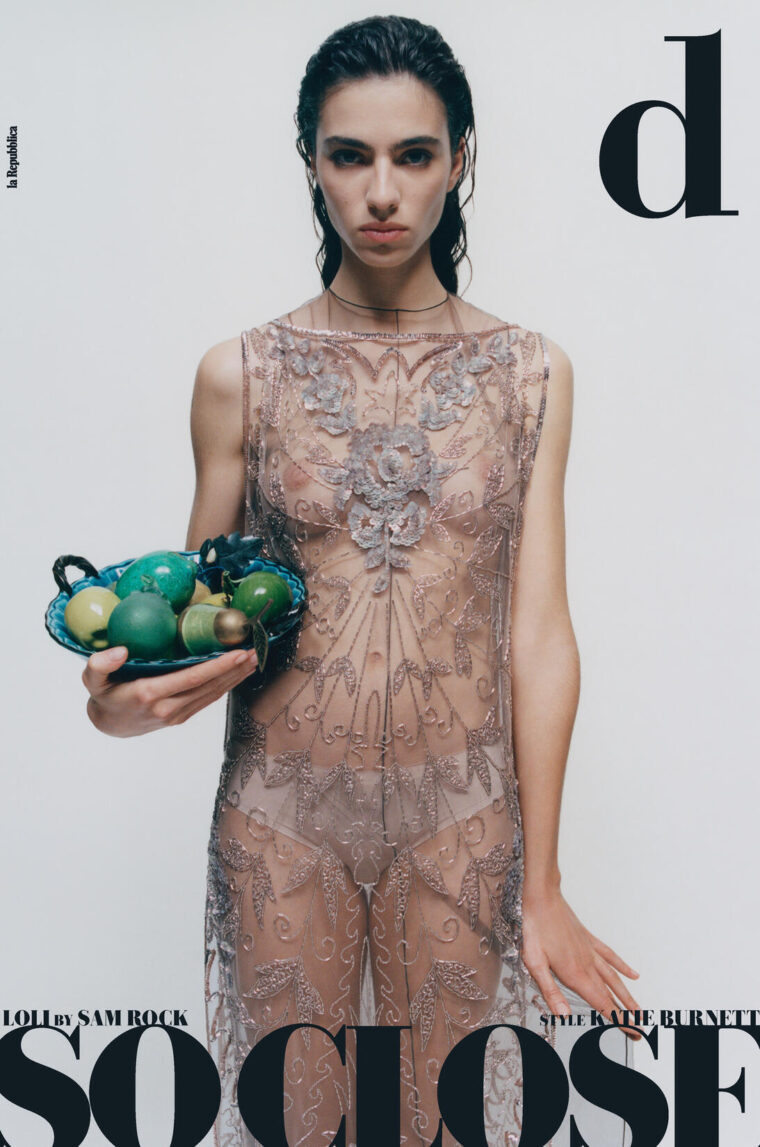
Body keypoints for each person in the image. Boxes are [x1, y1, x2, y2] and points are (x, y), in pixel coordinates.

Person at [82, 15, 641, 1147]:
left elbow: (538, 635)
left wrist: (542, 884)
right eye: (350, 156)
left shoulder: (531, 373)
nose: (381, 192)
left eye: (413, 155)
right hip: (282, 820)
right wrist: (117, 704)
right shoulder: (240, 374)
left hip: (464, 822)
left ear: (460, 159)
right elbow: (195, 625)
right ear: (311, 163)